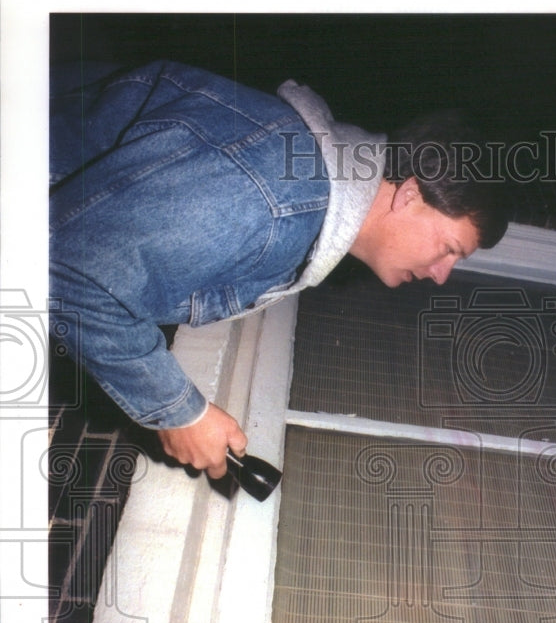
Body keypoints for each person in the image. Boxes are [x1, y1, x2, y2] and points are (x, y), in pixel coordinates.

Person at [50, 60, 507, 479]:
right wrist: (179, 411)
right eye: (449, 248)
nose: (441, 274)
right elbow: (69, 268)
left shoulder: (297, 189)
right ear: (409, 196)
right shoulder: (271, 197)